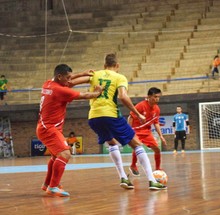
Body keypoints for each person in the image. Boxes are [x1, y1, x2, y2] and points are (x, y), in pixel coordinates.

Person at [72, 53, 167, 190]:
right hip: (110, 115)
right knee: (137, 145)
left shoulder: (94, 75)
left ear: (104, 66)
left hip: (93, 117)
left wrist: (79, 74)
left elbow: (69, 82)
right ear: (117, 65)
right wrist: (137, 113)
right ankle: (152, 181)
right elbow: (123, 96)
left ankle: (123, 177)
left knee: (111, 143)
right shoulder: (119, 77)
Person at [36, 64, 103, 197]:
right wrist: (97, 92)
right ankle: (53, 187)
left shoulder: (48, 84)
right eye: (67, 77)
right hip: (49, 129)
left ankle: (47, 184)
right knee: (65, 154)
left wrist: (81, 74)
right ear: (59, 76)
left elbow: (69, 83)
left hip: (44, 127)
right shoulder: (60, 91)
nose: (69, 80)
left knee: (56, 156)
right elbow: (84, 95)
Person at [128, 87, 167, 176]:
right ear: (149, 96)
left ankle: (157, 169)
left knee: (157, 150)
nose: (157, 99)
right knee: (137, 147)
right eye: (155, 96)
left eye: (158, 97)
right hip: (136, 131)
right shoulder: (141, 105)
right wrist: (129, 132)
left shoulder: (157, 109)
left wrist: (161, 136)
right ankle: (133, 165)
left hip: (146, 132)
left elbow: (156, 123)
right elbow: (130, 117)